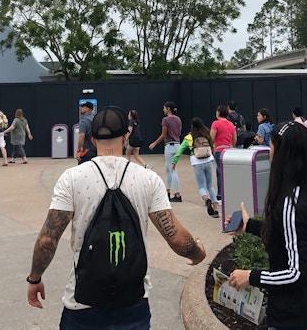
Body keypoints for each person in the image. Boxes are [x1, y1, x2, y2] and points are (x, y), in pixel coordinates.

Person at [25, 105, 206, 328]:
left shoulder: (72, 178)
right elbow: (176, 237)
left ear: (92, 140)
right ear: (125, 137)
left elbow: (47, 240)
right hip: (133, 306)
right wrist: (197, 253)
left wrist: (35, 278)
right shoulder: (148, 179)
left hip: (82, 306)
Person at [226, 120, 307, 330]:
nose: (269, 151)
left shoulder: (292, 203)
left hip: (299, 318)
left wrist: (251, 276)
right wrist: (250, 225)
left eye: (271, 146)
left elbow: (297, 273)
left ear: (281, 154)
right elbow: (295, 236)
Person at [171, 117, 220, 218]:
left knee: (201, 186)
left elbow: (180, 150)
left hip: (197, 162)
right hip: (208, 160)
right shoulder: (207, 134)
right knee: (210, 185)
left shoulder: (189, 137)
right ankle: (215, 210)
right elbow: (212, 146)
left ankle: (206, 200)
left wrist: (174, 161)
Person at [147, 101, 183, 202]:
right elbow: (179, 132)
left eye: (164, 108)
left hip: (169, 146)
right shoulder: (178, 119)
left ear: (168, 109)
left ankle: (178, 194)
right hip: (177, 145)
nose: (163, 110)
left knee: (172, 169)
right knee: (167, 168)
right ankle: (167, 191)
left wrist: (154, 144)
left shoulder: (165, 120)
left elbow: (163, 135)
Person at [210, 105, 237, 200]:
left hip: (219, 150)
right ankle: (230, 191)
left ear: (218, 113)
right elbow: (234, 139)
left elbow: (211, 138)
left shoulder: (215, 124)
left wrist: (211, 148)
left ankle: (221, 194)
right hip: (229, 151)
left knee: (220, 172)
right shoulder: (230, 124)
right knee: (228, 172)